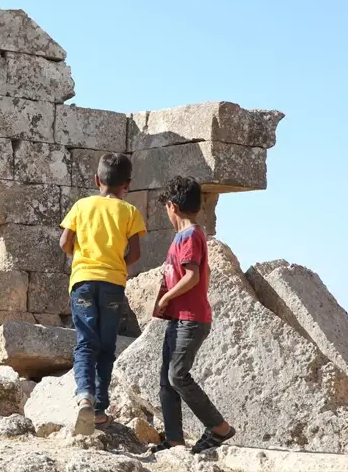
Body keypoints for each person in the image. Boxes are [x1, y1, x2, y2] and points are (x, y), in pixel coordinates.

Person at [59, 153, 146, 435]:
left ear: (97, 180)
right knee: (106, 347)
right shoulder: (130, 212)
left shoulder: (81, 206)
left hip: (83, 282)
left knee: (85, 342)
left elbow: (64, 243)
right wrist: (117, 263)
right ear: (128, 185)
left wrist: (82, 256)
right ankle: (99, 411)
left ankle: (84, 395)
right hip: (113, 285)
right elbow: (135, 253)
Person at [151, 176, 235, 454]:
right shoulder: (188, 236)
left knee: (177, 376)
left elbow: (191, 276)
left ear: (172, 206)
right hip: (180, 318)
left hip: (191, 318)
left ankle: (219, 428)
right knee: (167, 379)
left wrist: (165, 297)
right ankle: (174, 439)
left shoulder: (189, 236)